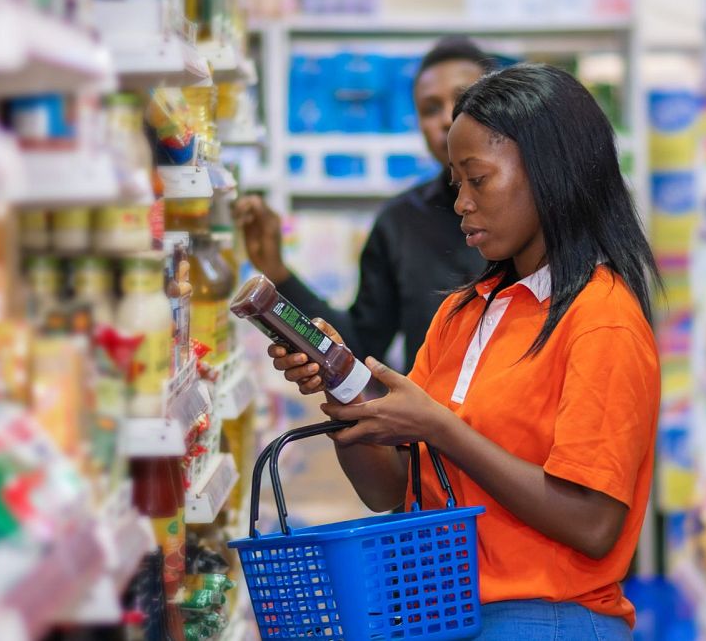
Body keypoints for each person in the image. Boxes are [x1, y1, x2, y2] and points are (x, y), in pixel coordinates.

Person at [267, 64, 662, 639]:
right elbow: (388, 490)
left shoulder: (601, 319)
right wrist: (339, 382)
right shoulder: (462, 313)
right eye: (456, 183)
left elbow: (594, 521)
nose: (461, 203)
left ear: (551, 173)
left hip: (548, 620)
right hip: (443, 614)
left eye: (479, 180)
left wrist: (443, 428)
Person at [234, 36, 491, 373]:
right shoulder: (400, 222)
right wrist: (278, 272)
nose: (446, 119)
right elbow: (360, 343)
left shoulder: (537, 211)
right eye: (430, 108)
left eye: (461, 100)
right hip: (434, 422)